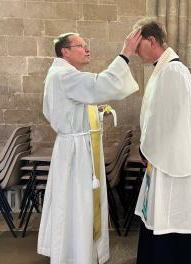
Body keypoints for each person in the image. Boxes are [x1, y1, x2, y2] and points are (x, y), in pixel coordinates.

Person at [37, 30, 142, 264]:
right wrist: (125, 54)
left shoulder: (61, 74)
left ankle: (76, 251)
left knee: (75, 203)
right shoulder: (64, 75)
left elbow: (75, 105)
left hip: (73, 146)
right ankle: (75, 254)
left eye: (87, 44)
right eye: (81, 45)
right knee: (78, 203)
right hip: (76, 153)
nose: (87, 49)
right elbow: (100, 84)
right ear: (65, 51)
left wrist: (94, 111)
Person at [132, 18, 191, 264]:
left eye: (138, 46)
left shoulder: (172, 71)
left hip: (169, 161)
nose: (136, 52)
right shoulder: (164, 68)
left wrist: (146, 148)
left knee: (168, 217)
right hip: (162, 156)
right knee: (160, 215)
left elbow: (167, 122)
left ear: (151, 41)